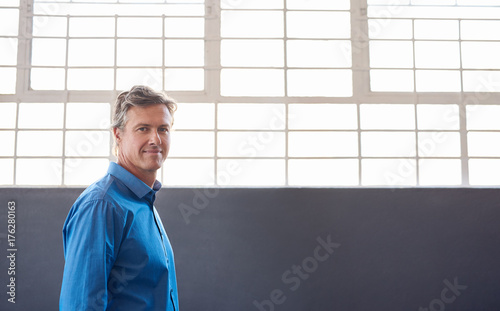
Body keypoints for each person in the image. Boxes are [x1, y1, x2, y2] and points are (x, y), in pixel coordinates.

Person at [59, 85, 179, 310]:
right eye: (143, 129)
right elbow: (80, 305)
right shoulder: (101, 206)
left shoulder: (144, 203)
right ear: (118, 135)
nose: (155, 139)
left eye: (163, 129)